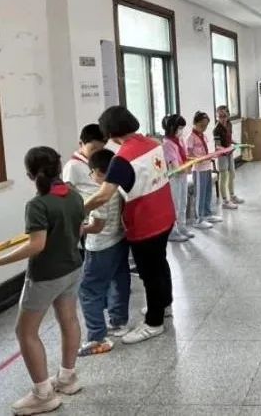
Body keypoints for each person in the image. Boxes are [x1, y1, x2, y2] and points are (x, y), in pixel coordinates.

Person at [0, 147, 85, 415]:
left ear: (29, 174)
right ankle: (67, 378)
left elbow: (36, 245)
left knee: (25, 332)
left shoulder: (38, 204)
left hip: (46, 276)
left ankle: (43, 395)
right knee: (69, 319)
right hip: (73, 267)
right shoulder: (74, 195)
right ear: (59, 167)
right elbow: (79, 229)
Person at [85, 106, 176, 345]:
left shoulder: (122, 159)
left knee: (150, 273)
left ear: (110, 132)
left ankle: (154, 323)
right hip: (165, 213)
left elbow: (103, 195)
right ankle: (163, 304)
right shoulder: (152, 143)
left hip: (146, 223)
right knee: (160, 263)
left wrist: (78, 210)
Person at [77, 149, 131, 356]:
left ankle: (97, 337)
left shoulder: (100, 196)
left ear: (98, 172)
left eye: (91, 173)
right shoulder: (118, 190)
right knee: (119, 280)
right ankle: (119, 321)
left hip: (101, 247)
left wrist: (82, 228)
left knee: (88, 290)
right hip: (119, 240)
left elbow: (97, 226)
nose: (91, 176)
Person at [161, 114, 194, 242]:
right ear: (172, 127)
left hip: (183, 175)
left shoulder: (179, 140)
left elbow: (185, 156)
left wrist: (193, 161)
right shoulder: (167, 144)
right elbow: (174, 166)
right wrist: (186, 168)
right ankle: (172, 231)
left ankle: (182, 227)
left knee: (183, 202)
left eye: (182, 128)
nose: (181, 130)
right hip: (174, 178)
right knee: (174, 204)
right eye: (179, 128)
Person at [188, 111, 222, 229]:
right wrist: (198, 159)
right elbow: (189, 155)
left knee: (208, 192)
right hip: (198, 170)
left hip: (207, 167)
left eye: (206, 125)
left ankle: (207, 214)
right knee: (200, 194)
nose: (204, 128)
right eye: (202, 125)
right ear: (195, 123)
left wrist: (214, 154)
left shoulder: (203, 136)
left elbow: (206, 150)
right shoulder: (191, 137)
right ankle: (198, 219)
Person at [214, 105, 244, 210]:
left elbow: (229, 139)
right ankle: (225, 201)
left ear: (228, 115)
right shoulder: (217, 129)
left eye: (224, 116)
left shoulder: (229, 124)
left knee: (232, 174)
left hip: (229, 153)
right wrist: (225, 150)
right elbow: (218, 146)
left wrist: (236, 144)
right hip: (222, 155)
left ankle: (232, 196)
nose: (222, 119)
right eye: (220, 116)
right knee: (224, 176)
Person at [62, 124, 106, 196]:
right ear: (81, 144)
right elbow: (68, 191)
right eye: (93, 149)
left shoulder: (103, 160)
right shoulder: (72, 166)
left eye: (101, 149)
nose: (97, 153)